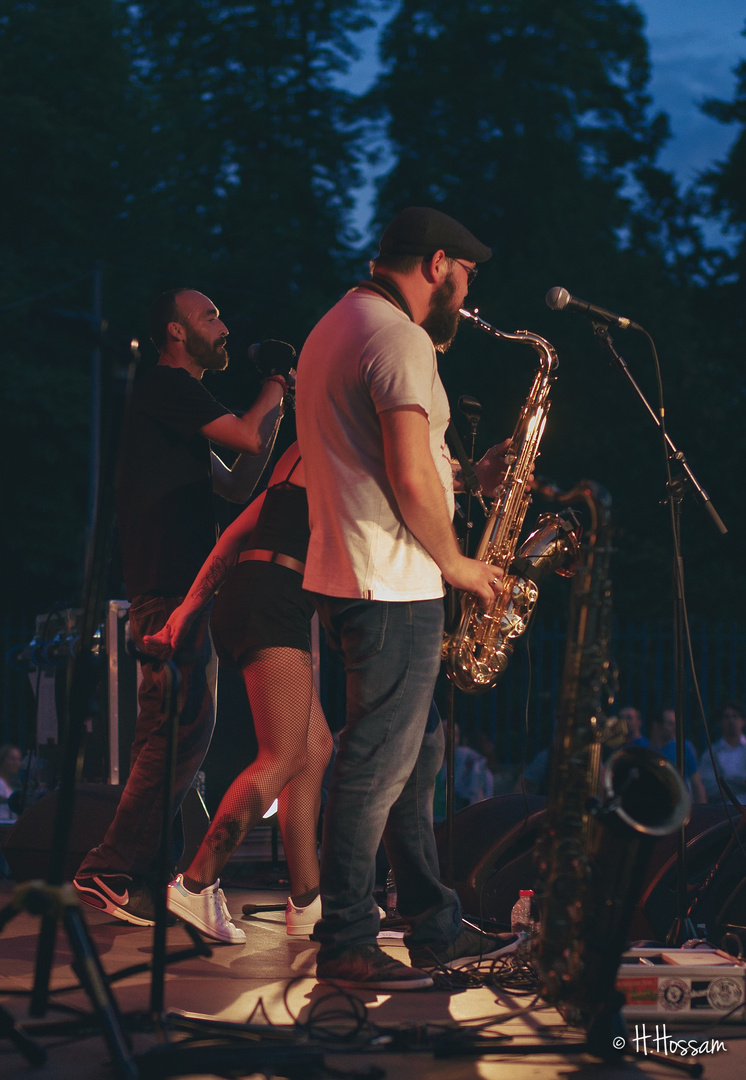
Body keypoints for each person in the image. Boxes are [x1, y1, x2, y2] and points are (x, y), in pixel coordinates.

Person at [295, 205, 511, 990]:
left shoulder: (339, 325)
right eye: (467, 274)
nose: (467, 290)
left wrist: (468, 481)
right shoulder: (401, 336)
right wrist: (458, 563)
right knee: (374, 765)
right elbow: (407, 474)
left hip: (358, 572)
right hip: (390, 581)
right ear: (437, 263)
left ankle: (429, 921)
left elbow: (394, 460)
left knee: (411, 762)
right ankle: (348, 938)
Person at [74, 289, 293, 926]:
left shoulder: (180, 407)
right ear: (176, 332)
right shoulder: (168, 385)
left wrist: (272, 414)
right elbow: (249, 435)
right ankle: (111, 868)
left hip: (176, 587)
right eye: (210, 317)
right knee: (178, 738)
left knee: (170, 738)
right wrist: (277, 381)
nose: (223, 327)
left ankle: (143, 876)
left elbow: (236, 479)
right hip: (170, 590)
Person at [142, 442, 334, 943]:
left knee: (314, 748)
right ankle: (194, 883)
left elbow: (232, 537)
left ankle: (308, 903)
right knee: (285, 753)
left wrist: (186, 610)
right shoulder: (349, 445)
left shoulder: (301, 452)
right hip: (275, 600)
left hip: (256, 594)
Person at [649, 707, 706, 804]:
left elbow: (696, 783)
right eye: (670, 724)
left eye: (675, 724)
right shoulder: (646, 749)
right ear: (656, 726)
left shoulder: (685, 747)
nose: (675, 727)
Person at [698, 701, 746, 804]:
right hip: (722, 812)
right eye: (727, 717)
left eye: (735, 716)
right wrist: (740, 783)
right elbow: (707, 787)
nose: (731, 720)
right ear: (720, 722)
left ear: (743, 721)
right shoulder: (710, 754)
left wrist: (725, 782)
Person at [0, 745, 22, 823]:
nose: (16, 763)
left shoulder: (9, 783)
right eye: (12, 759)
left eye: (18, 759)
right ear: (2, 761)